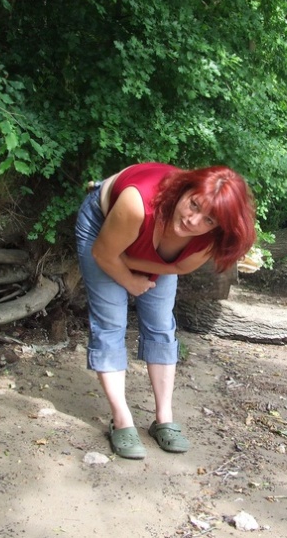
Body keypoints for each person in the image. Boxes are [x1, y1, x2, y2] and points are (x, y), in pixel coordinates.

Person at [75, 162, 256, 460]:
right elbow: (103, 254)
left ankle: (164, 418)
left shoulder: (210, 239)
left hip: (151, 251)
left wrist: (135, 271)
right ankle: (121, 420)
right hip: (105, 229)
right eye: (193, 204)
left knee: (160, 323)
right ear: (185, 189)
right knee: (111, 321)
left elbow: (176, 266)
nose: (193, 221)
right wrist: (129, 281)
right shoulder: (137, 203)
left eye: (208, 219)